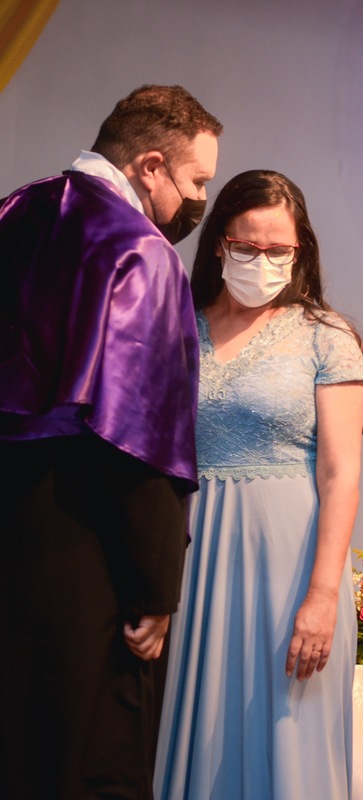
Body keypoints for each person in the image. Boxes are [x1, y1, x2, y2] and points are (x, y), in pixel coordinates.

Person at [0, 84, 220, 798]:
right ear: (151, 167)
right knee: (84, 756)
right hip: (85, 546)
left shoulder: (14, 210)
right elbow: (140, 438)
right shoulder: (142, 252)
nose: (199, 201)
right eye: (196, 182)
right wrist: (155, 586)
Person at [154, 170, 363, 799]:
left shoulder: (327, 338)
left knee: (288, 745)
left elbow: (341, 474)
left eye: (279, 250)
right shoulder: (177, 327)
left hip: (290, 567)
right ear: (219, 243)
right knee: (190, 735)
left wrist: (323, 596)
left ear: (300, 251)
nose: (263, 261)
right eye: (248, 246)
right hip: (189, 556)